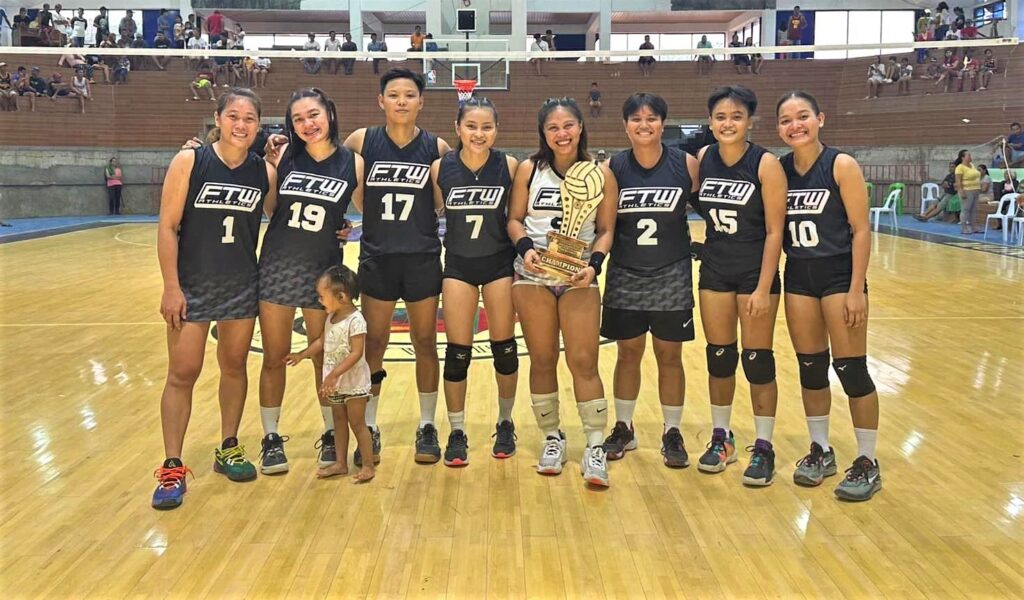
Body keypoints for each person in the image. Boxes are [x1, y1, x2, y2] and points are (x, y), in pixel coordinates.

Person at [151, 89, 277, 510]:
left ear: (259, 125)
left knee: (234, 366)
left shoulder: (264, 172)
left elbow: (287, 216)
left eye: (250, 119)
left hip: (241, 282)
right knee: (182, 373)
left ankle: (228, 447)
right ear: (218, 118)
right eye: (233, 116)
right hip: (193, 284)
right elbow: (167, 227)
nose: (241, 125)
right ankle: (172, 465)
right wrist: (171, 286)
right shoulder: (190, 161)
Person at [249, 88, 363, 475]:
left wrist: (348, 227)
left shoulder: (353, 163)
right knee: (274, 357)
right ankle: (270, 437)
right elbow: (270, 209)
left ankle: (331, 434)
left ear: (329, 113)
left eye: (313, 114)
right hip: (279, 265)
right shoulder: (282, 155)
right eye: (298, 119)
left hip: (324, 274)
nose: (307, 124)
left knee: (325, 360)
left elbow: (366, 210)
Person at [342, 69, 452, 466]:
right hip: (377, 257)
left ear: (421, 101)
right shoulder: (361, 141)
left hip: (422, 257)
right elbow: (347, 184)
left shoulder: (435, 147)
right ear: (381, 101)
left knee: (425, 342)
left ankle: (426, 424)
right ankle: (369, 424)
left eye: (410, 95)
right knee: (374, 344)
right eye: (394, 94)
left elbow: (440, 202)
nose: (402, 101)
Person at [507, 97, 618, 487]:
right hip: (532, 275)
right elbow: (515, 220)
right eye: (553, 127)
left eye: (568, 125)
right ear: (543, 133)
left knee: (584, 361)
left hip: (579, 278)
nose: (561, 133)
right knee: (541, 358)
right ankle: (552, 437)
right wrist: (526, 250)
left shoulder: (601, 173)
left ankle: (594, 444)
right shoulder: (528, 169)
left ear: (581, 127)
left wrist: (594, 267)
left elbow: (606, 230)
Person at [776, 90, 881, 502]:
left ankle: (868, 460)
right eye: (786, 120)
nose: (795, 125)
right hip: (799, 274)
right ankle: (821, 449)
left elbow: (861, 229)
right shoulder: (779, 170)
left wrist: (857, 289)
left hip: (840, 275)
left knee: (851, 369)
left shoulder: (841, 165)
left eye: (803, 116)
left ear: (820, 118)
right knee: (811, 367)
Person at [599, 93, 700, 469]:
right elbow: (603, 224)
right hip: (625, 273)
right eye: (636, 119)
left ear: (663, 123)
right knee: (628, 354)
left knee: (669, 356)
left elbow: (711, 208)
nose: (644, 125)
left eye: (652, 118)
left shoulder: (686, 165)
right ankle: (624, 426)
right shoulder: (613, 168)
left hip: (672, 273)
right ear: (625, 125)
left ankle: (671, 430)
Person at [693, 86, 786, 486]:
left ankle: (763, 445)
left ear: (750, 121)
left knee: (757, 359)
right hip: (715, 269)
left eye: (735, 116)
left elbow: (774, 231)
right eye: (720, 117)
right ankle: (721, 437)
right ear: (710, 122)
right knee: (719, 356)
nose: (727, 123)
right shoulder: (704, 158)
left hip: (754, 274)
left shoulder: (765, 164)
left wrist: (764, 286)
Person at [430, 97, 520, 465]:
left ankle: (505, 422)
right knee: (457, 352)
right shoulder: (441, 167)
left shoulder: (510, 166)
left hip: (499, 264)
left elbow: (517, 216)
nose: (478, 134)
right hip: (459, 266)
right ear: (457, 128)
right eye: (471, 126)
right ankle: (457, 430)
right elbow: (436, 210)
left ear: (496, 130)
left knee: (504, 348)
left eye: (486, 127)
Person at [286, 266, 375, 482]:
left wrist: (333, 375)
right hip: (335, 384)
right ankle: (341, 463)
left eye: (322, 296)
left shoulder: (356, 321)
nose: (319, 301)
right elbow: (322, 342)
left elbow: (356, 353)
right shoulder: (331, 318)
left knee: (357, 423)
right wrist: (302, 355)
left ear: (342, 296)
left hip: (353, 383)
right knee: (338, 421)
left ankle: (368, 465)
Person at [954, 148, 981, 234]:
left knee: (973, 210)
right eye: (968, 155)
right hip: (967, 190)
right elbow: (958, 181)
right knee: (965, 210)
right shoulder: (960, 168)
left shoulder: (972, 165)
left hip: (976, 190)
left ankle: (974, 226)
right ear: (963, 157)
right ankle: (964, 227)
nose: (970, 157)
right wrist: (961, 191)